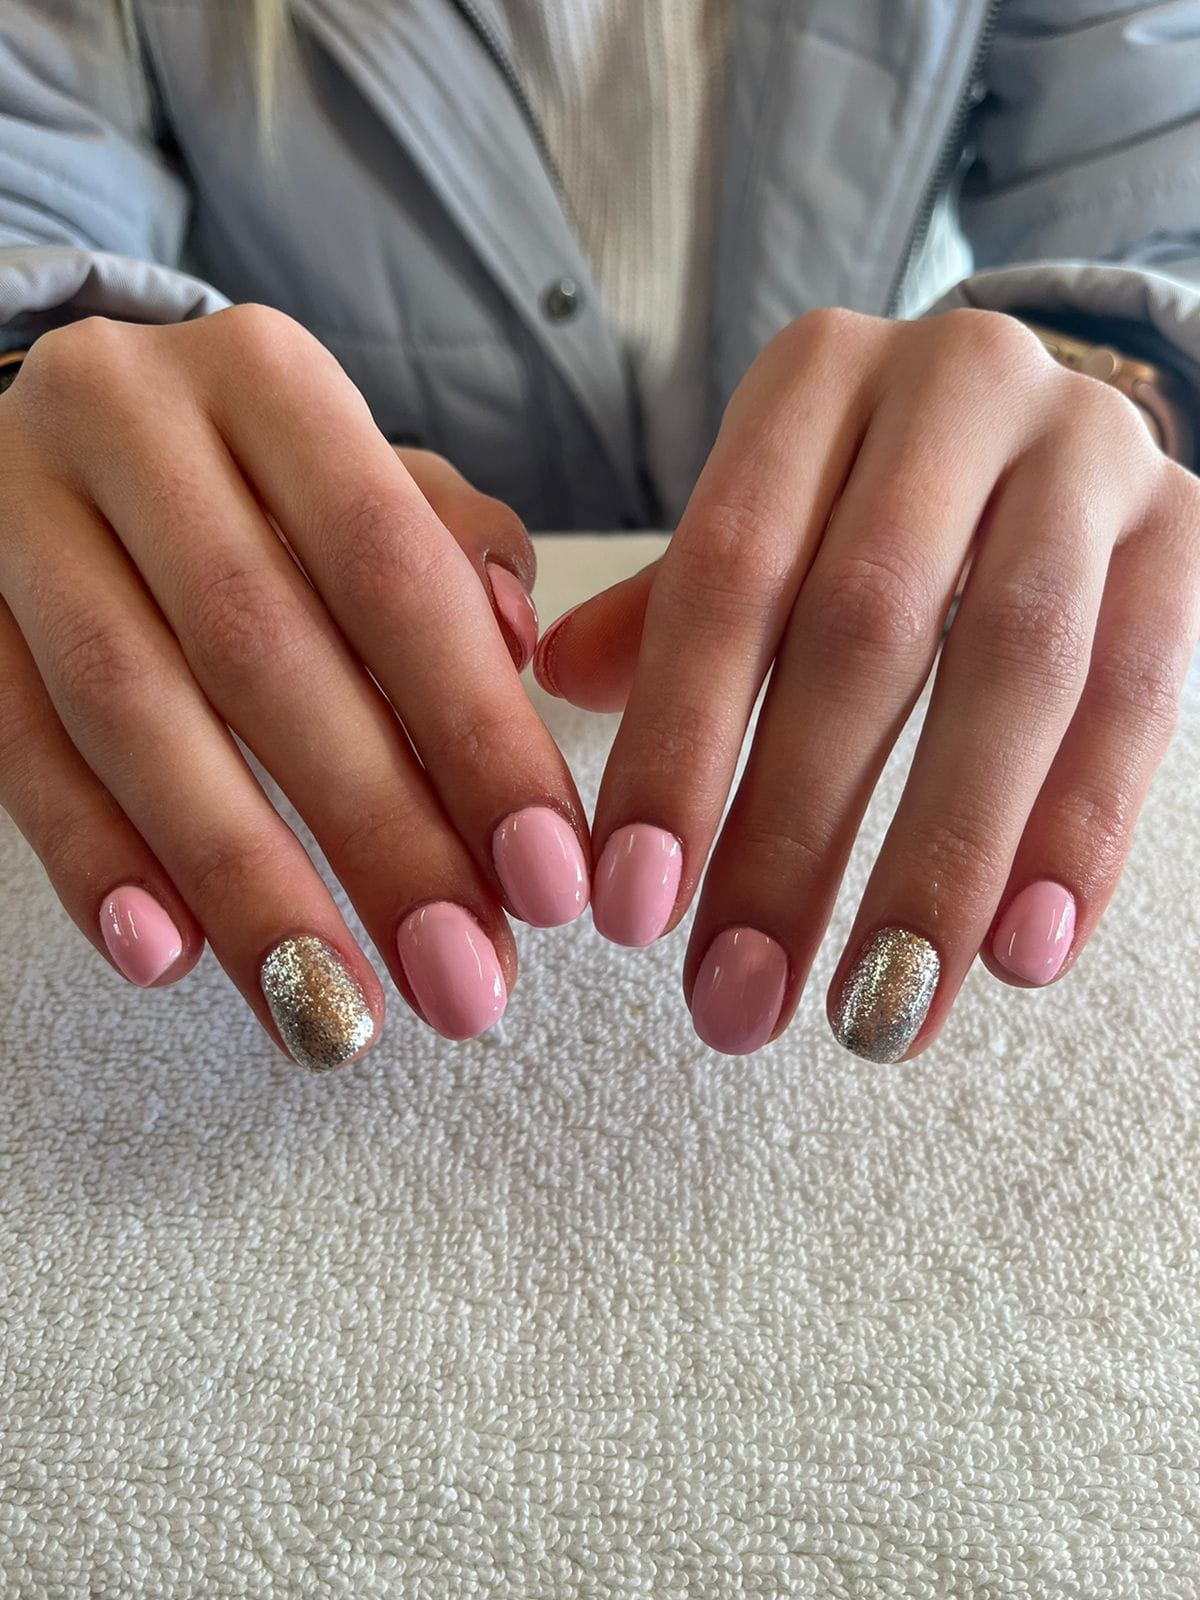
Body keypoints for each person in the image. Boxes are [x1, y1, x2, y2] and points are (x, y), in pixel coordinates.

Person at [0, 0, 1197, 1071]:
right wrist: (50, 405)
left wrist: (1099, 390)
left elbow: (1155, 187)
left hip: (905, 570)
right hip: (275, 587)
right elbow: (28, 205)